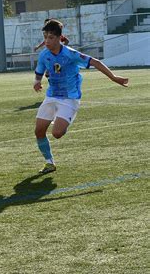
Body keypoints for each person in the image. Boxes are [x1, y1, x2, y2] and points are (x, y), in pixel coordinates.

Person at [33, 19, 128, 174]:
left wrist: (114, 77)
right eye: (45, 37)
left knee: (57, 134)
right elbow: (38, 72)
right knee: (38, 131)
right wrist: (36, 82)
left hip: (70, 99)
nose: (47, 41)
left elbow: (95, 62)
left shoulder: (70, 54)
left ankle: (65, 119)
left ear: (59, 38)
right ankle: (49, 163)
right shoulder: (44, 55)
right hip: (51, 97)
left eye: (50, 38)